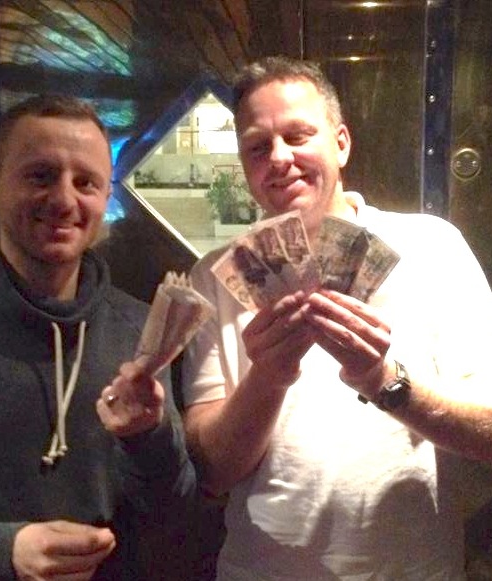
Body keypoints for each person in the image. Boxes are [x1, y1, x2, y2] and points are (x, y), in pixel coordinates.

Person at [181, 55, 492, 580]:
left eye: (298, 135)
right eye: (258, 146)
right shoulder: (214, 275)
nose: (280, 157)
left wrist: (384, 382)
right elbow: (212, 472)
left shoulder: (433, 247)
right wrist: (269, 376)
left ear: (341, 143)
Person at [0, 94, 197, 580]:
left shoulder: (140, 331)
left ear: (105, 198)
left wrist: (148, 437)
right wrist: (1, 551)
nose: (64, 200)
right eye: (41, 176)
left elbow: (173, 510)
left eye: (86, 183)